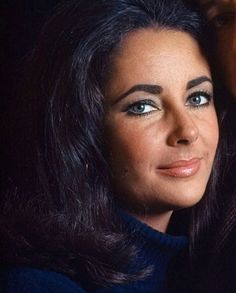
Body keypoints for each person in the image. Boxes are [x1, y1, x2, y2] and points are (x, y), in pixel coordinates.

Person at [0, 0, 221, 292]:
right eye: (143, 106)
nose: (187, 131)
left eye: (197, 98)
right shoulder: (38, 284)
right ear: (81, 131)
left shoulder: (206, 267)